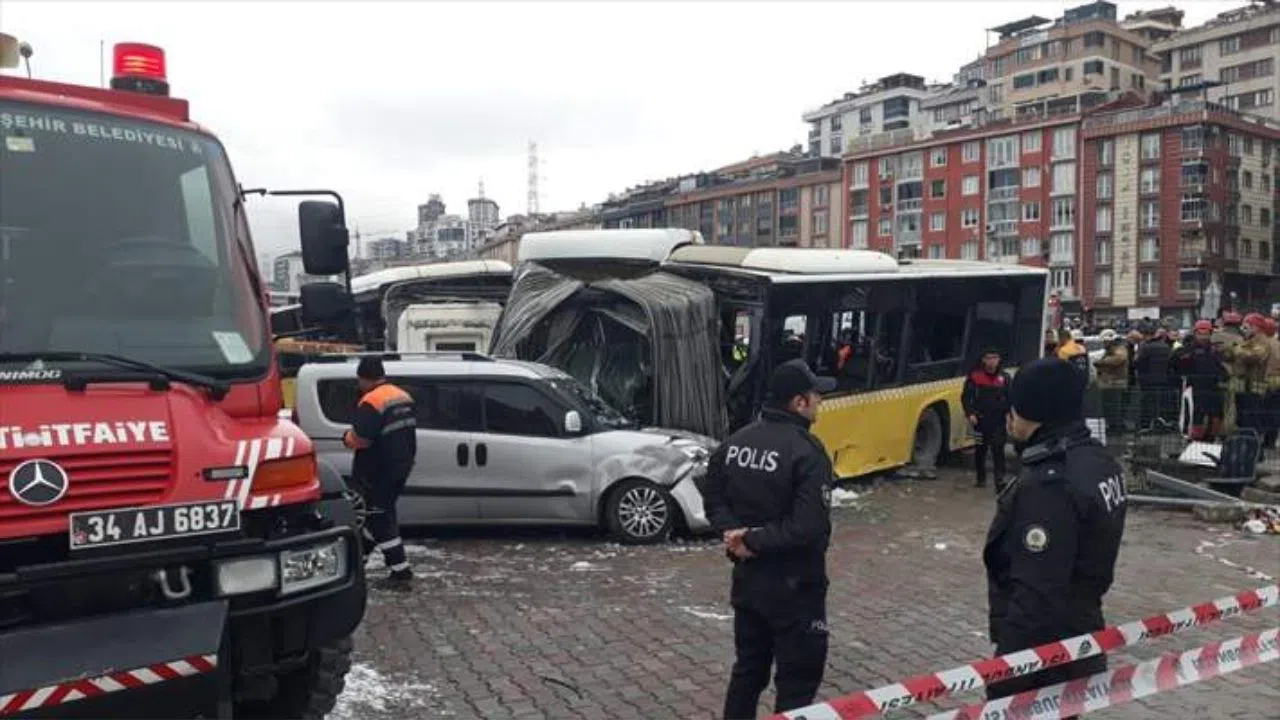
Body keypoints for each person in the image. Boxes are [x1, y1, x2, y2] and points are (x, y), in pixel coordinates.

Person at [984, 358, 1127, 715]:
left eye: (1014, 406)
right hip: (1081, 636)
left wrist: (1007, 673)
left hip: (1045, 659)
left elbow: (1039, 594)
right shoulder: (1095, 460)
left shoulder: (1050, 485)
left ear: (1034, 410)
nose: (1008, 415)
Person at [697, 359, 835, 719]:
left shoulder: (734, 443)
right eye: (815, 397)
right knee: (798, 681)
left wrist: (734, 535)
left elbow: (712, 497)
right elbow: (808, 527)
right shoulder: (807, 451)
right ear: (798, 403)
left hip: (748, 581)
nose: (820, 403)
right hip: (796, 586)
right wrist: (752, 539)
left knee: (748, 672)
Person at [344, 356, 418, 590]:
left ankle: (400, 570)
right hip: (401, 465)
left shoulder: (372, 401)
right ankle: (358, 564)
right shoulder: (402, 396)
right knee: (376, 514)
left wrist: (346, 438)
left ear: (364, 378)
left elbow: (361, 439)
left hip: (378, 469)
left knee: (378, 516)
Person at [962, 349, 1011, 492]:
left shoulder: (1005, 378)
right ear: (983, 360)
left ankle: (999, 480)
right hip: (979, 421)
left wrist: (1010, 416)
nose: (991, 361)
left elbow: (1011, 398)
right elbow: (965, 397)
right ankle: (981, 478)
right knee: (980, 450)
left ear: (999, 359)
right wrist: (970, 413)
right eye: (988, 358)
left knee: (998, 450)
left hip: (999, 421)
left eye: (994, 358)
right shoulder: (975, 377)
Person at [1171, 321, 1228, 440]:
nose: (1203, 337)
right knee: (1195, 415)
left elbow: (1223, 369)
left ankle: (1210, 438)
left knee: (1215, 415)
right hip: (1194, 389)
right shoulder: (1186, 351)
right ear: (1195, 333)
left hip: (1213, 389)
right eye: (1200, 333)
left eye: (1206, 334)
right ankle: (1194, 439)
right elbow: (1174, 367)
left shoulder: (1215, 351)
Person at [1092, 330, 1129, 436]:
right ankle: (1113, 425)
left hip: (1114, 382)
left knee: (1114, 406)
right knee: (1110, 406)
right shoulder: (1112, 349)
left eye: (1105, 341)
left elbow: (1120, 358)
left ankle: (1115, 427)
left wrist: (1102, 362)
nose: (1104, 344)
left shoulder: (1118, 349)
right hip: (1109, 382)